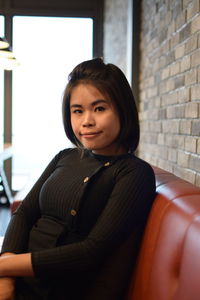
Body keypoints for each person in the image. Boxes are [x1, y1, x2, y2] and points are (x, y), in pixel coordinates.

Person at [0, 58, 156, 300]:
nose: (87, 121)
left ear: (123, 110)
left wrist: (5, 267)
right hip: (17, 277)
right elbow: (25, 213)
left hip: (53, 289)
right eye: (78, 111)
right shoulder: (66, 156)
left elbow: (90, 252)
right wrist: (6, 278)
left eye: (99, 108)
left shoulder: (134, 173)